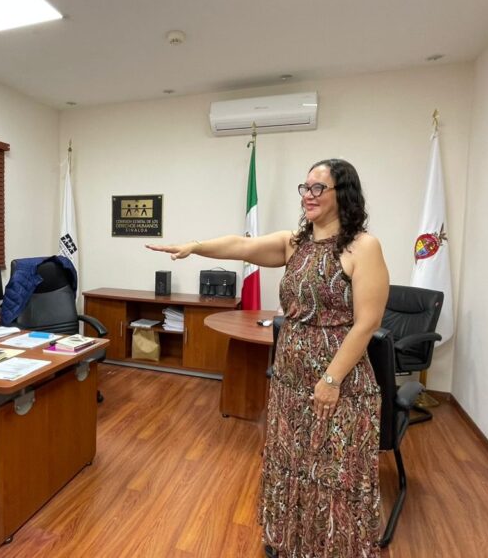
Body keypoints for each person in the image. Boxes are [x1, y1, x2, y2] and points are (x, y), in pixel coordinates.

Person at [147, 158, 389, 557]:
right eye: (304, 187)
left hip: (337, 383)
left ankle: (332, 546)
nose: (307, 195)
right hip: (290, 379)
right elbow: (241, 245)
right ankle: (292, 541)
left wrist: (330, 381)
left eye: (317, 188)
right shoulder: (296, 243)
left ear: (341, 195)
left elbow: (367, 322)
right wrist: (195, 247)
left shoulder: (363, 246)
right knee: (291, 463)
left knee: (331, 470)